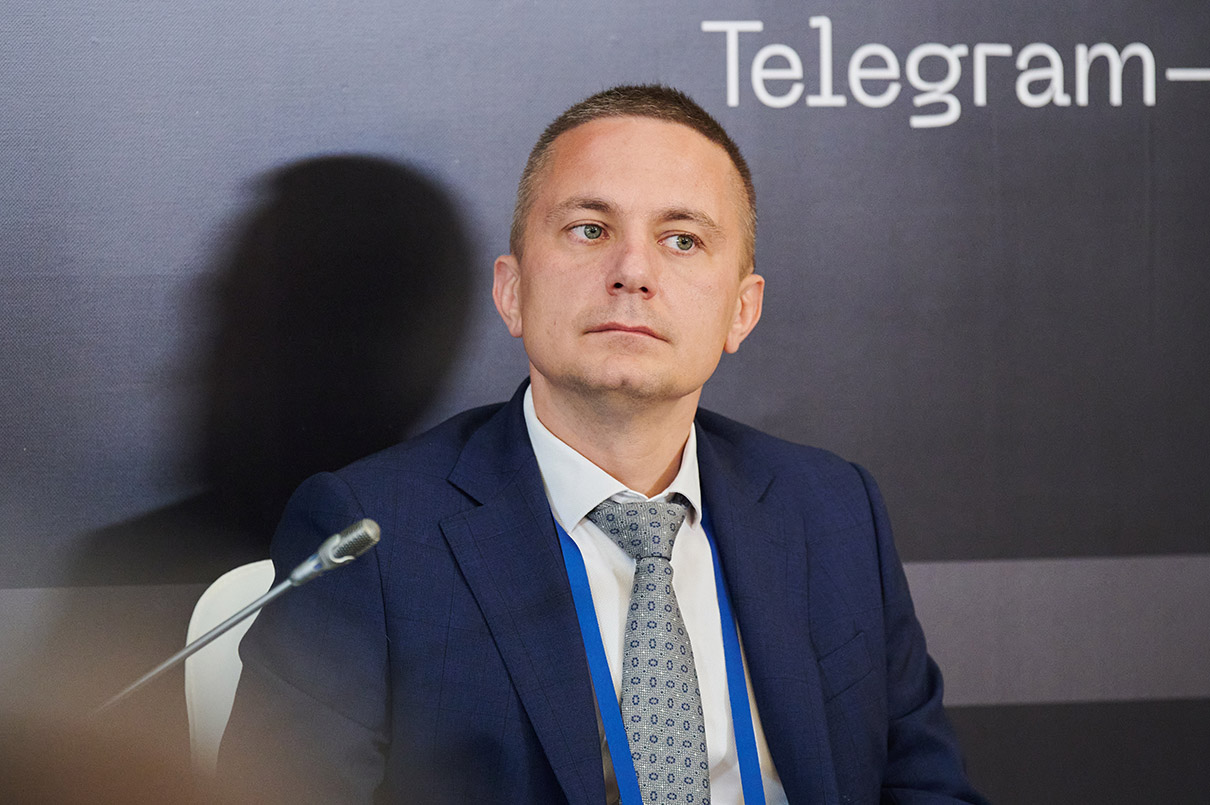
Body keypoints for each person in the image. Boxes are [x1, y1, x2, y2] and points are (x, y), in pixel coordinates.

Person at [219, 85, 986, 805]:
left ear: (742, 310)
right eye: (590, 229)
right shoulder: (370, 535)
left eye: (682, 239)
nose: (633, 272)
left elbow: (926, 787)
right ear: (512, 291)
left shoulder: (835, 511)